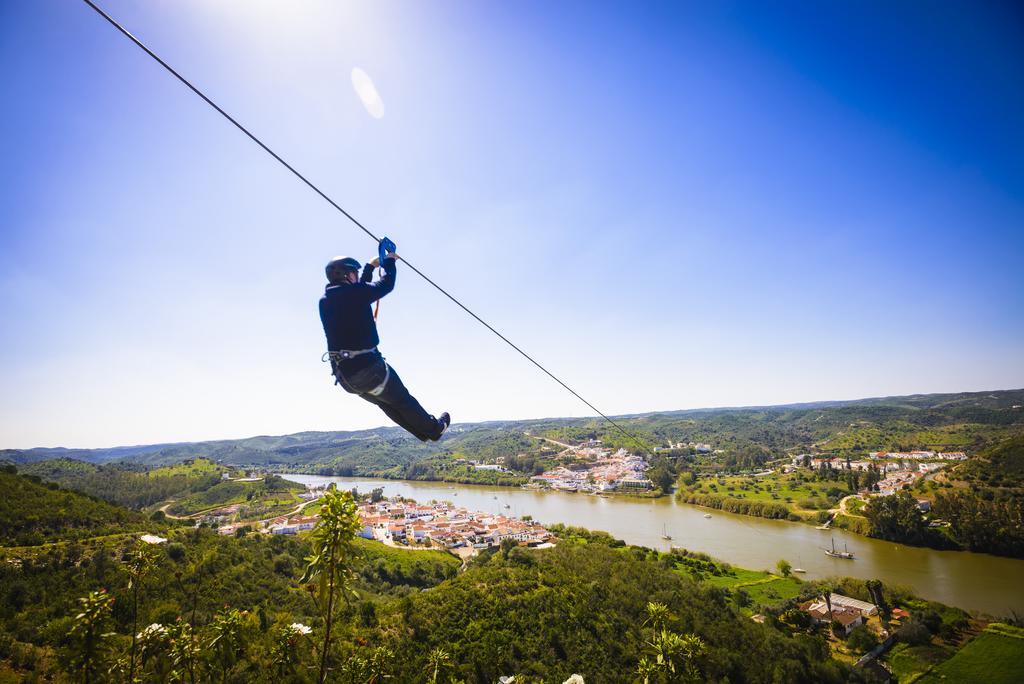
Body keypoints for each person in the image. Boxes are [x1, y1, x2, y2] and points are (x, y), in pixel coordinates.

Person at [319, 251, 450, 441]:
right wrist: (389, 262)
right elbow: (385, 285)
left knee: (388, 404)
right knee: (403, 400)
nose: (357, 276)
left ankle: (423, 433)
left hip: (347, 378)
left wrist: (370, 267)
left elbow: (360, 291)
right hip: (368, 370)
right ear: (346, 275)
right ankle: (434, 429)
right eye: (354, 273)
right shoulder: (352, 295)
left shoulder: (326, 300)